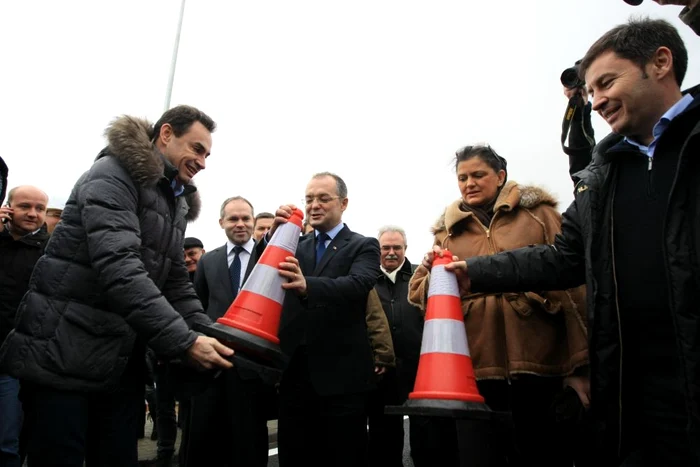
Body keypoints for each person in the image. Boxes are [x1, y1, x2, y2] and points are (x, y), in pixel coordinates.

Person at [431, 18, 700, 466]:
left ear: (661, 63)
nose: (596, 102)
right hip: (633, 392)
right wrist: (471, 272)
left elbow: (570, 298)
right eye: (590, 91)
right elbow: (565, 259)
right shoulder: (604, 176)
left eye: (607, 83)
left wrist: (576, 369)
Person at [0, 105, 234, 467]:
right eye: (197, 149)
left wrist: (213, 336)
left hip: (118, 361)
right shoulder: (112, 175)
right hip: (63, 356)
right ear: (167, 134)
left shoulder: (176, 202)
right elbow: (120, 268)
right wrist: (184, 342)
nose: (202, 162)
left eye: (207, 154)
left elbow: (175, 283)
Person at [409, 145, 590, 467]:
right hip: (476, 374)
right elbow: (418, 295)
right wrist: (435, 274)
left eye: (479, 175)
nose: (469, 183)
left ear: (501, 176)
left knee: (545, 456)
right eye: (462, 177)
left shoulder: (541, 215)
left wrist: (580, 368)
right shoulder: (446, 234)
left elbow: (576, 292)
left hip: (541, 368)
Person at [270, 172, 380, 467]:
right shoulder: (296, 245)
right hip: (295, 376)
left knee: (344, 456)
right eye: (309, 199)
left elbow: (358, 285)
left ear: (343, 203)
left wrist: (309, 286)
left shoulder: (364, 245)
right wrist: (274, 236)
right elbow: (263, 272)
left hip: (342, 379)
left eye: (323, 198)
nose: (314, 205)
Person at [183, 196, 273, 467]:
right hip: (212, 364)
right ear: (221, 222)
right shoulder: (208, 262)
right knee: (208, 439)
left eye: (246, 218)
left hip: (252, 366)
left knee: (248, 441)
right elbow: (197, 305)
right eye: (233, 219)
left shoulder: (267, 259)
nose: (241, 224)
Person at [366, 226, 427, 467]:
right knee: (383, 435)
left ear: (405, 249)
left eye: (397, 248)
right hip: (382, 372)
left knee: (424, 434)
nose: (391, 253)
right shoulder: (366, 281)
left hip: (418, 370)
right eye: (385, 247)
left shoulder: (418, 280)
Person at [0, 186, 50, 467]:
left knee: (9, 443)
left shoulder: (50, 252)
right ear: (8, 208)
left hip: (23, 361)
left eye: (39, 208)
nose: (32, 214)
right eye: (24, 206)